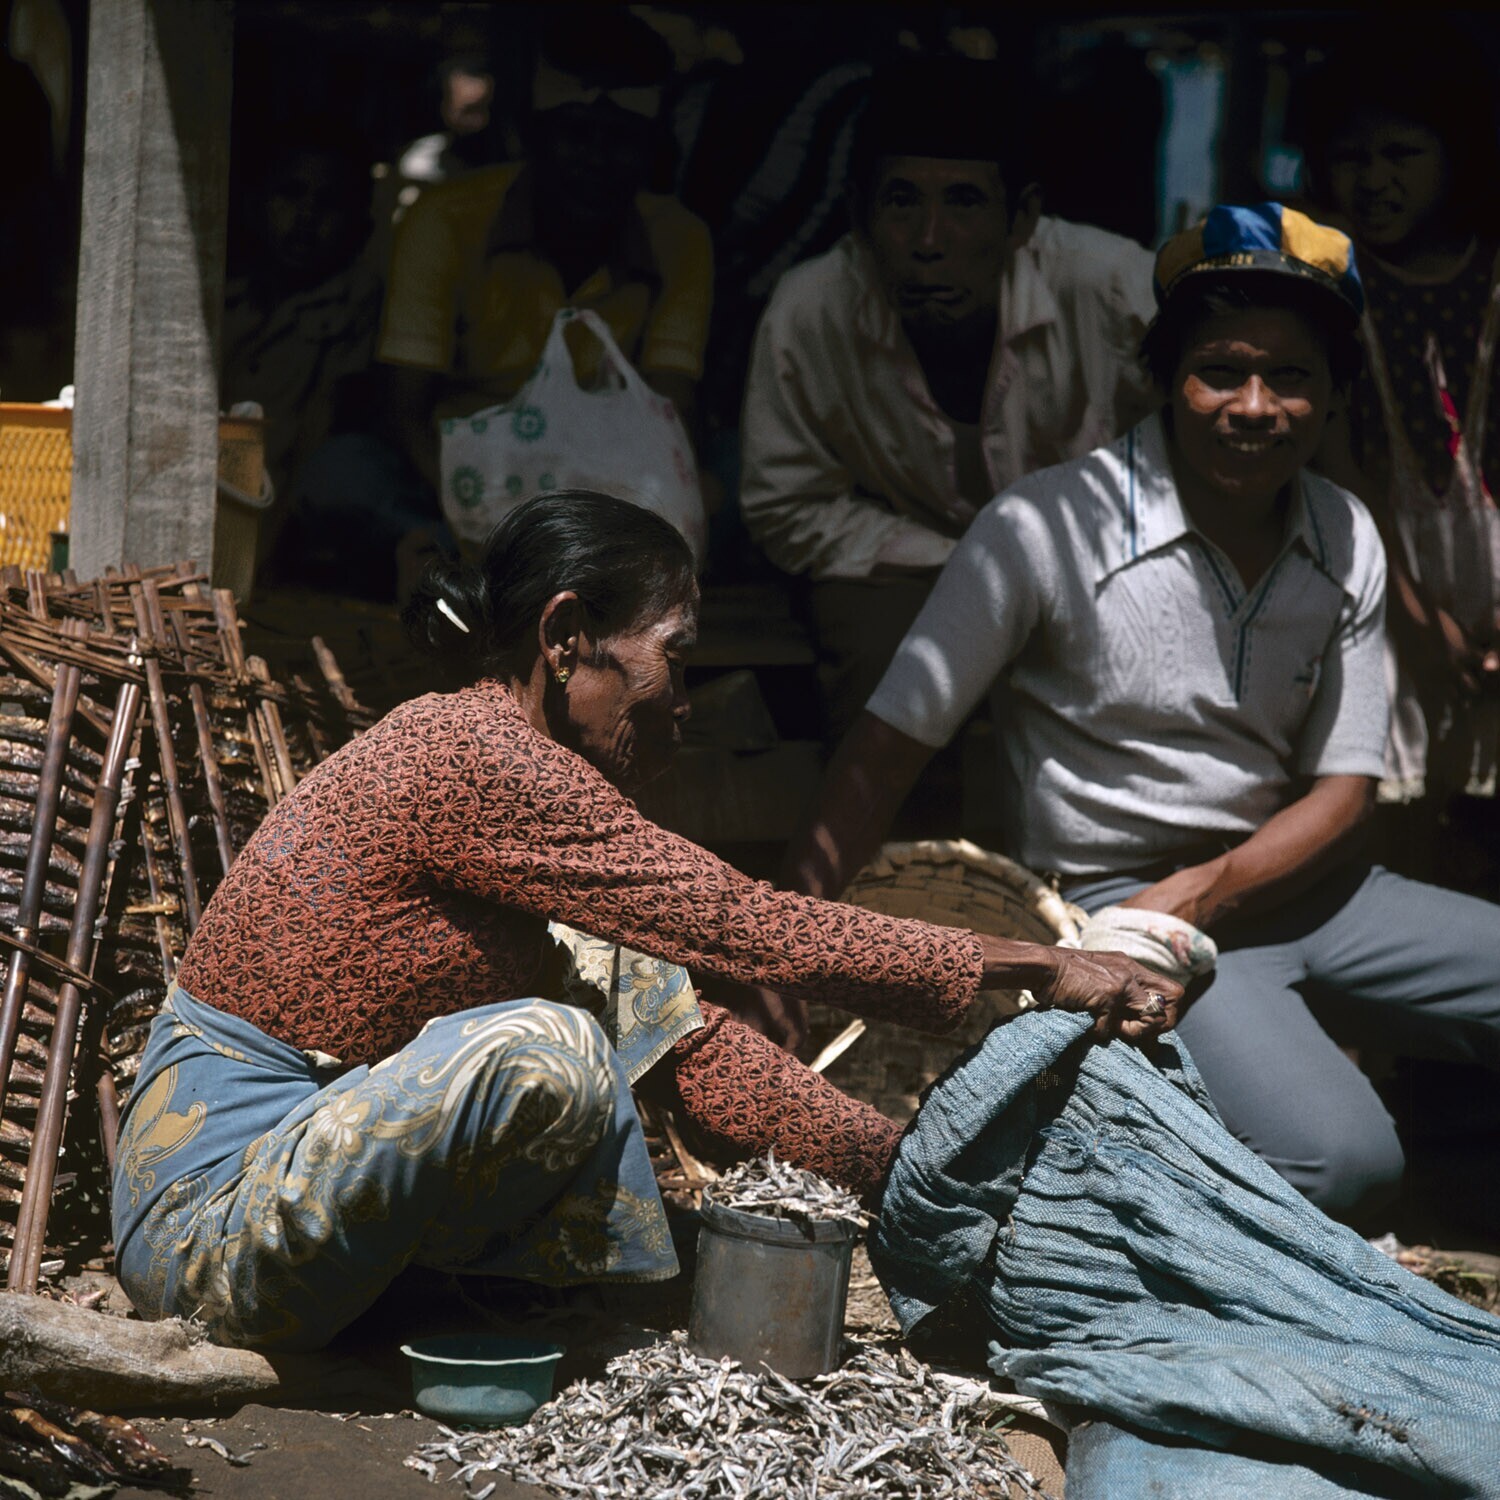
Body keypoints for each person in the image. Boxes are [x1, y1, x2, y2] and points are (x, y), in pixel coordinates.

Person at [109, 492, 1175, 1352]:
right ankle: (519, 1300)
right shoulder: (472, 757)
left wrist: (907, 1176)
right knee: (549, 1046)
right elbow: (748, 925)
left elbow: (693, 1052)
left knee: (613, 994)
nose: (684, 699)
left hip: (303, 1199)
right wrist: (1037, 965)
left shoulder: (530, 817)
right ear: (565, 637)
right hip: (214, 1229)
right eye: (675, 656)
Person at [777, 204, 1500, 1225]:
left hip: (1298, 889)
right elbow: (882, 755)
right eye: (1220, 371)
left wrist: (1206, 892)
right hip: (1117, 909)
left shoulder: (1345, 532)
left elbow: (1345, 791)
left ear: (1337, 394)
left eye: (1292, 376)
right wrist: (782, 951)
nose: (1255, 407)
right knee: (1343, 1166)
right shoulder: (1043, 527)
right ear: (1164, 379)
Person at [738, 56, 1159, 744]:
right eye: (902, 202)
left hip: (1095, 555)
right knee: (886, 664)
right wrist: (961, 564)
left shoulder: (1112, 287)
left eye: (964, 202)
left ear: (1021, 217)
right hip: (906, 565)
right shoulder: (811, 310)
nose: (929, 241)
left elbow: (1213, 420)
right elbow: (788, 505)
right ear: (859, 215)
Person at [1299, 37, 1500, 882]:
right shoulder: (1327, 284)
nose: (1374, 179)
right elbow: (1340, 464)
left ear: (1455, 157)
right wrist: (1418, 622)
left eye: (1401, 154)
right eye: (1351, 158)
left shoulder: (1489, 272)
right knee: (1395, 814)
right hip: (1380, 580)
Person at [377, 8, 711, 494]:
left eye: (621, 139)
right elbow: (405, 416)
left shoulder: (680, 238)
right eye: (576, 134)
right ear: (531, 137)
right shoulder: (444, 219)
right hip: (457, 477)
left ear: (651, 152)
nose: (596, 160)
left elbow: (670, 416)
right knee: (345, 473)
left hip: (605, 485)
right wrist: (482, 519)